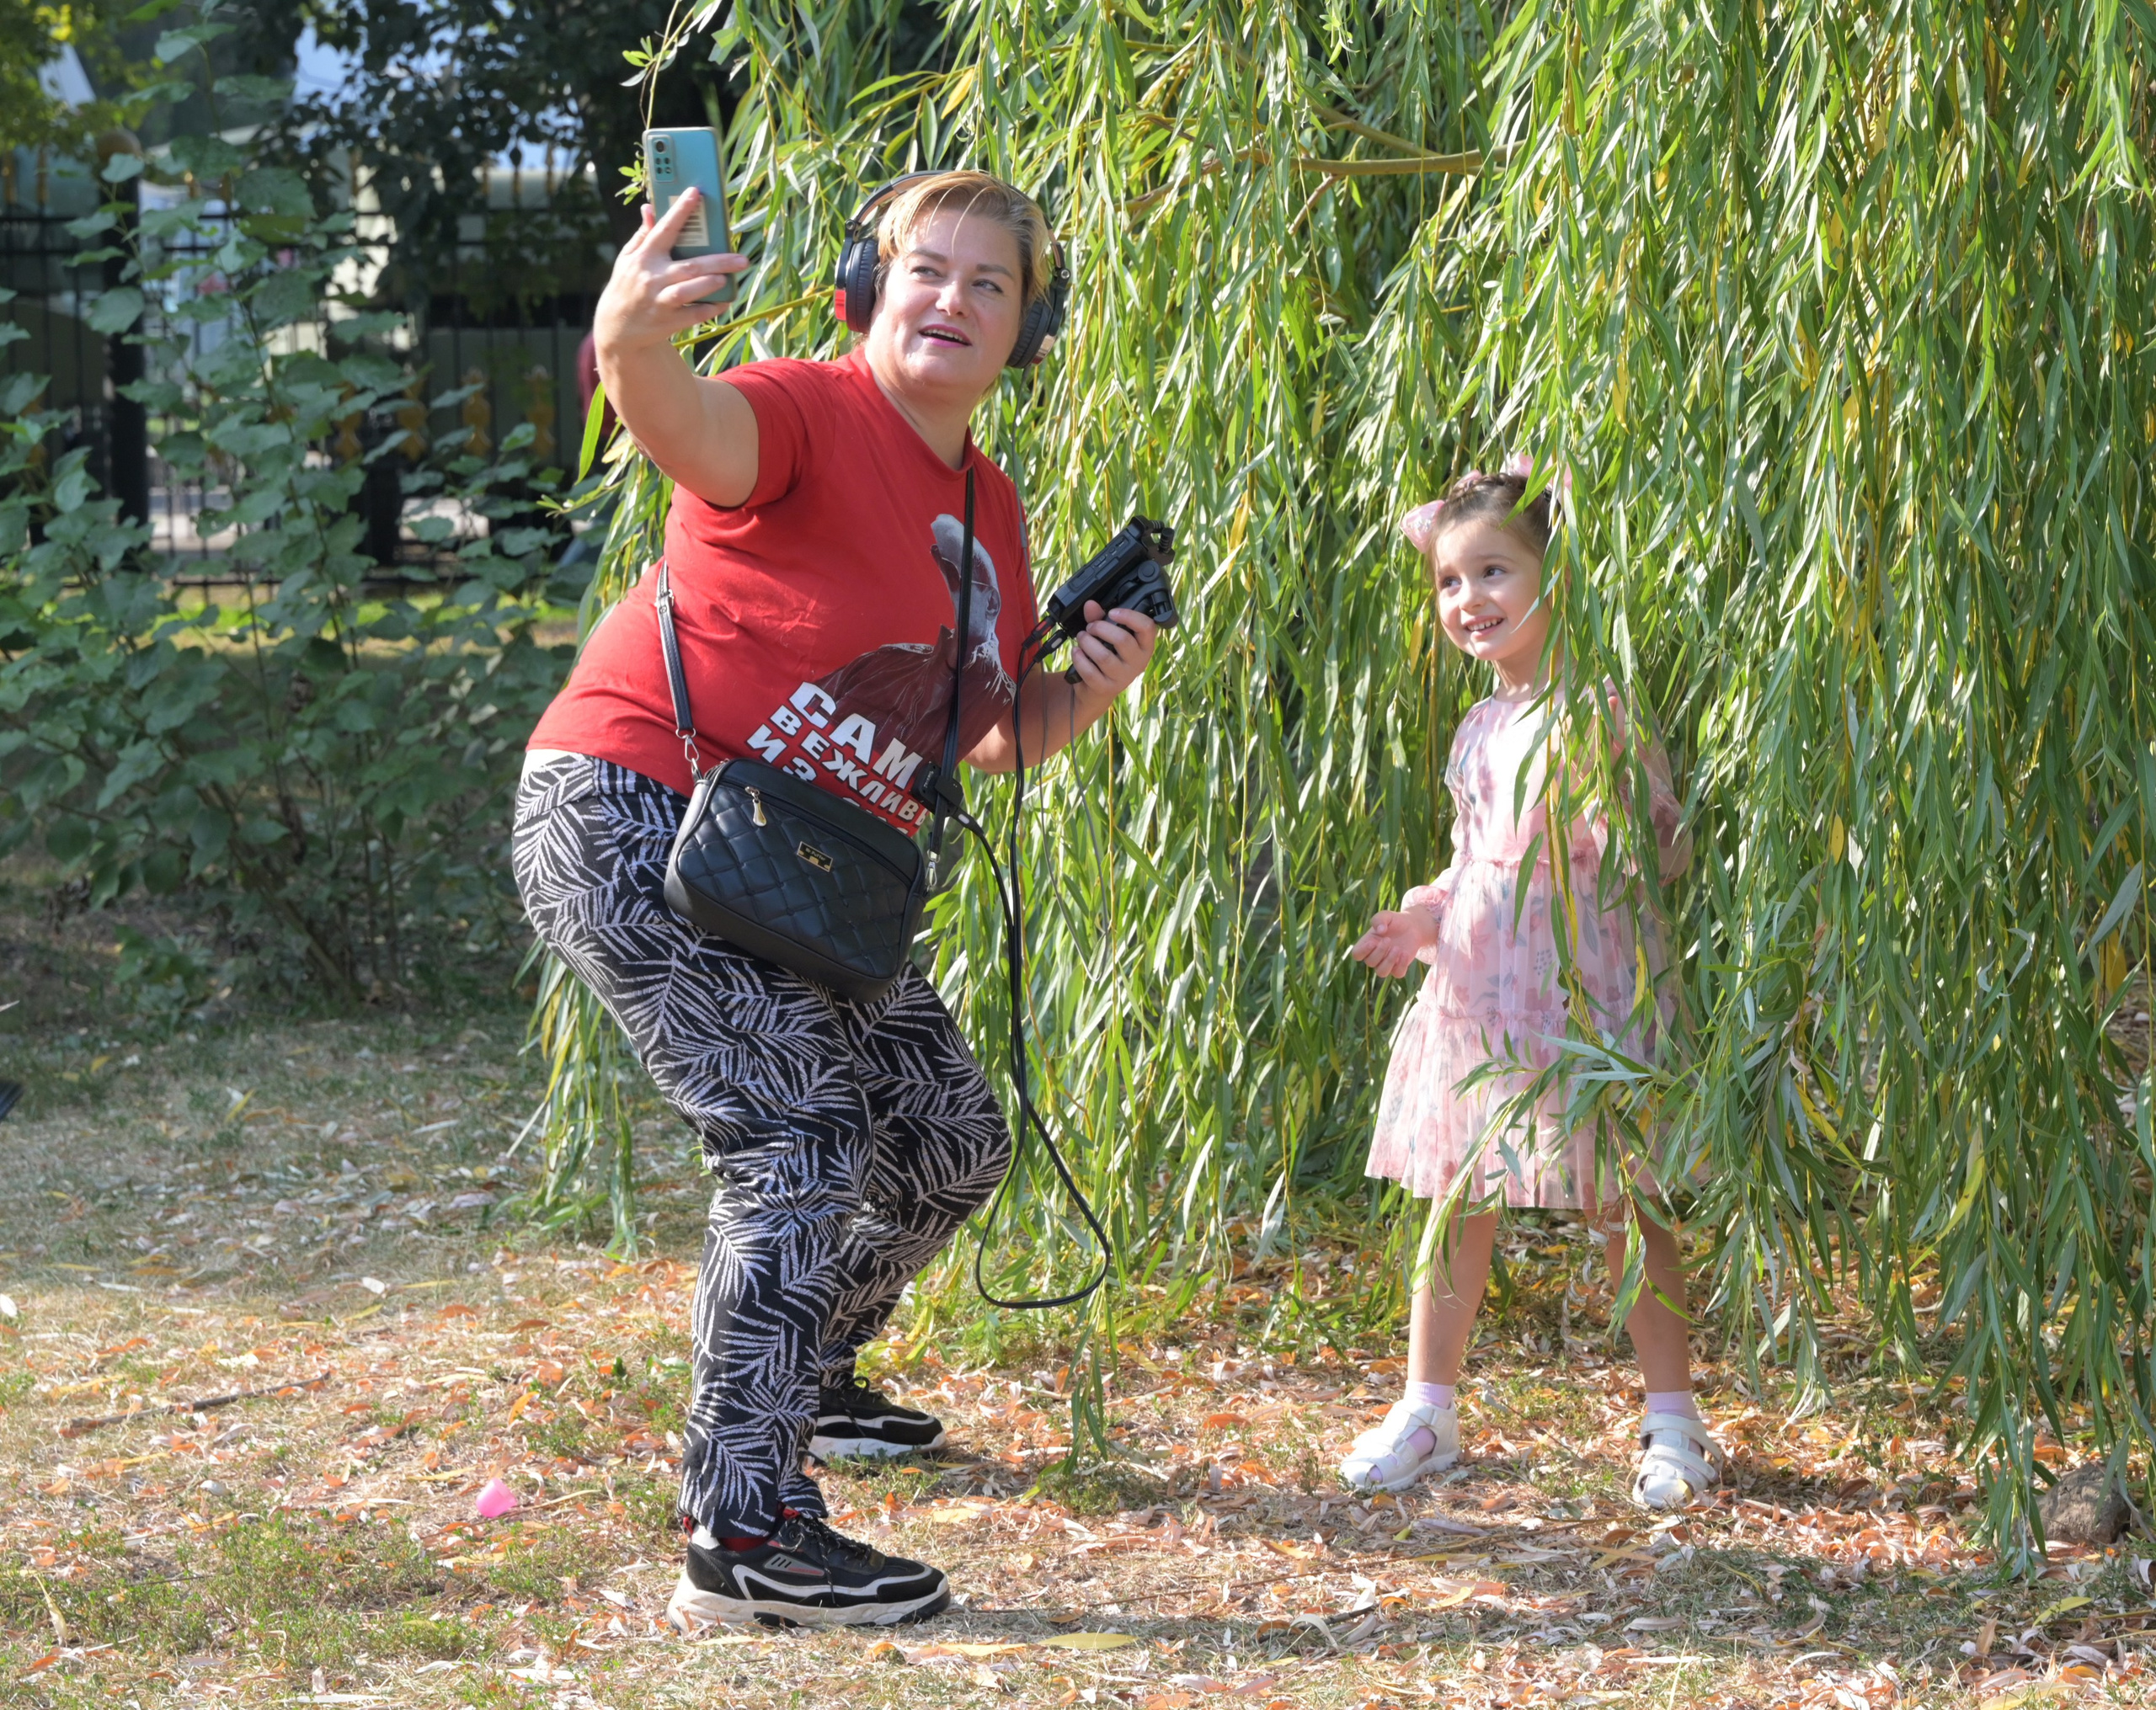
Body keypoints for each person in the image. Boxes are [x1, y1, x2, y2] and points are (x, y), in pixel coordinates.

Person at [512, 171, 1160, 1629]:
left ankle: (804, 1372)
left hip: (809, 865)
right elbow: (681, 420)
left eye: (991, 284)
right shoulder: (801, 410)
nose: (954, 299)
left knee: (945, 1140)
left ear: (1027, 330)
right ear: (867, 290)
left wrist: (1089, 686)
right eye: (927, 270)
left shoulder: (990, 506)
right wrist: (630, 343)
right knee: (800, 1134)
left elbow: (988, 737)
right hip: (641, 811)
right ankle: (741, 1536)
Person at [1340, 461, 1719, 1510]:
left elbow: (1664, 849)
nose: (1469, 600)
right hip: (1475, 999)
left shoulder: (1592, 707)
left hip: (1582, 999)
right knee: (1453, 1201)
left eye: (1494, 572)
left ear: (1558, 579)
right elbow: (1471, 861)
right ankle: (1428, 1408)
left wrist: (1618, 820)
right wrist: (1420, 920)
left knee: (1620, 1203)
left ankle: (1673, 1420)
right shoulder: (1477, 727)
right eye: (1451, 582)